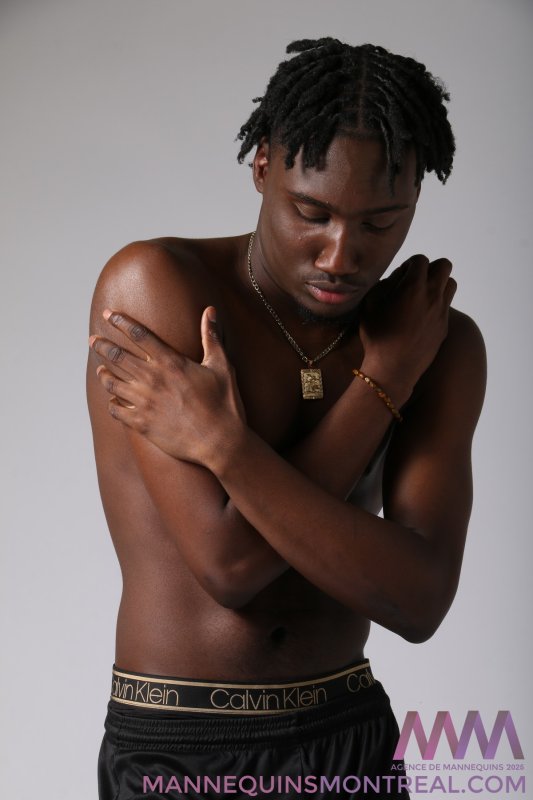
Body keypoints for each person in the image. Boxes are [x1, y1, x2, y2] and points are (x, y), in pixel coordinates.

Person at [87, 37, 486, 800]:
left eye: (380, 223)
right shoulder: (158, 286)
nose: (340, 255)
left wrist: (226, 447)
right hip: (184, 745)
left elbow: (420, 601)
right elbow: (230, 567)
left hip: (350, 732)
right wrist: (382, 383)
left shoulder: (434, 341)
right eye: (312, 212)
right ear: (263, 164)